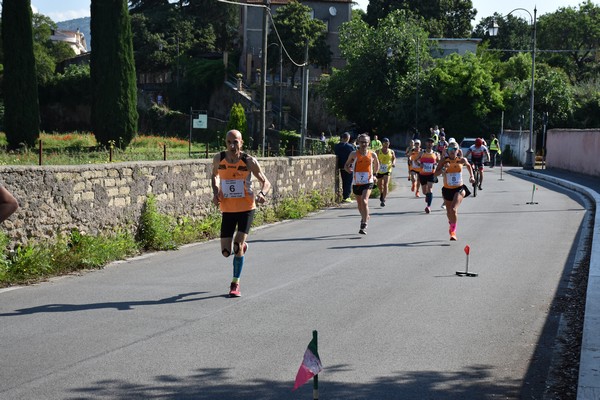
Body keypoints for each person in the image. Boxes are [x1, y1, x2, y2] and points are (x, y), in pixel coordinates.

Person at [211, 129, 271, 297]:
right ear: (225, 143)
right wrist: (216, 192)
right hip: (228, 209)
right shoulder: (219, 158)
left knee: (236, 247)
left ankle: (235, 283)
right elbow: (214, 176)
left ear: (241, 142)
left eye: (235, 142)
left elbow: (266, 182)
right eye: (229, 142)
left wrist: (262, 194)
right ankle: (242, 248)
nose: (232, 145)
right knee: (225, 252)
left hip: (246, 207)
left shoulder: (249, 161)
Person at [434, 141, 475, 241]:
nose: (453, 151)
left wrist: (472, 176)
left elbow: (469, 166)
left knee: (453, 209)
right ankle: (452, 224)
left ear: (458, 150)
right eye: (450, 149)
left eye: (455, 149)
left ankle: (453, 232)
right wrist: (444, 169)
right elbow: (435, 174)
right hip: (447, 189)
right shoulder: (444, 161)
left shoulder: (461, 160)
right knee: (449, 212)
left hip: (459, 188)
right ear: (447, 150)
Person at [344, 133, 380, 235]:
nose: (364, 144)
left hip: (368, 181)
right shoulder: (353, 154)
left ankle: (364, 223)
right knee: (359, 205)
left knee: (364, 201)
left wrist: (375, 175)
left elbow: (377, 164)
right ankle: (365, 216)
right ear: (358, 143)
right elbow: (346, 165)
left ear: (369, 143)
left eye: (366, 142)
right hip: (357, 182)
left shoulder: (372, 154)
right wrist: (348, 169)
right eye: (362, 142)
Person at [416, 138, 440, 213]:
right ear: (426, 143)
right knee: (424, 191)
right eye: (428, 142)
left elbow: (439, 162)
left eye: (431, 143)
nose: (430, 144)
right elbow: (415, 160)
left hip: (431, 174)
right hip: (422, 174)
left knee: (430, 188)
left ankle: (428, 206)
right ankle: (427, 196)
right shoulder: (421, 153)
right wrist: (420, 164)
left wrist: (436, 165)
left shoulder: (436, 154)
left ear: (433, 144)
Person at [334, 132, 356, 203]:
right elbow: (355, 155)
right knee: (348, 182)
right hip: (348, 166)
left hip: (340, 166)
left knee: (344, 182)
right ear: (347, 138)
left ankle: (345, 196)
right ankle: (347, 197)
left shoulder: (336, 146)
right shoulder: (349, 146)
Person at [375, 138, 396, 207]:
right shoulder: (378, 151)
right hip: (379, 170)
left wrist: (393, 163)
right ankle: (381, 193)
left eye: (387, 143)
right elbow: (374, 159)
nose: (386, 145)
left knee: (386, 184)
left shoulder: (391, 151)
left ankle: (383, 199)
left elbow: (394, 158)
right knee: (379, 184)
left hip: (388, 169)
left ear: (389, 144)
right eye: (384, 143)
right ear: (382, 144)